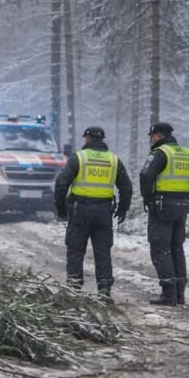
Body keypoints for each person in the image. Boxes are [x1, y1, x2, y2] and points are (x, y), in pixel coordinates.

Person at [54, 126, 133, 298]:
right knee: (103, 251)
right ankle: (104, 289)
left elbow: (61, 183)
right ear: (102, 140)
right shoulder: (114, 160)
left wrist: (61, 210)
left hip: (79, 212)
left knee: (75, 249)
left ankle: (74, 287)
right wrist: (123, 209)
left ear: (87, 139)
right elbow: (126, 187)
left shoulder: (79, 158)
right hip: (104, 213)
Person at [138, 122, 189, 306]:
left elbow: (145, 176)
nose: (151, 140)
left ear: (158, 136)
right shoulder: (187, 154)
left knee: (160, 247)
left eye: (152, 136)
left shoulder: (160, 153)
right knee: (177, 248)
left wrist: (148, 199)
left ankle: (169, 293)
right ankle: (179, 294)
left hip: (161, 205)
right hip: (181, 206)